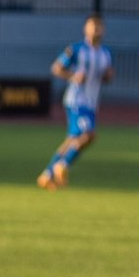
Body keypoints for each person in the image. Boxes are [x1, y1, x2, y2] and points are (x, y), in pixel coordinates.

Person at [39, 14, 114, 191]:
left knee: (73, 140)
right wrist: (72, 76)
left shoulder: (106, 53)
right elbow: (56, 68)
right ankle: (62, 165)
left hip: (92, 102)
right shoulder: (76, 49)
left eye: (99, 27)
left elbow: (107, 76)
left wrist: (109, 76)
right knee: (89, 135)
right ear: (86, 29)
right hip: (76, 100)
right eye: (93, 26)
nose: (96, 30)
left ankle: (46, 175)